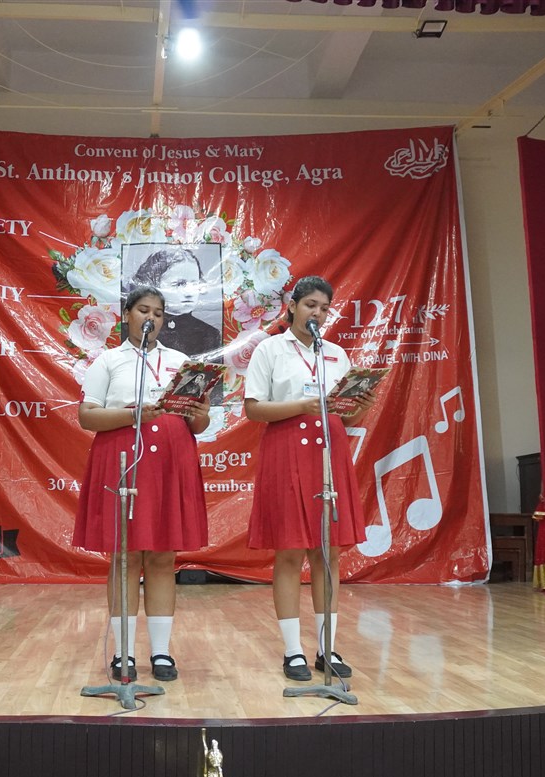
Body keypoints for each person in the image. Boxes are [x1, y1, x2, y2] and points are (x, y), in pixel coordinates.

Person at [72, 286, 211, 681]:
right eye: (143, 310)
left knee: (164, 557)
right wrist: (131, 415)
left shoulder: (180, 362)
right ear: (127, 315)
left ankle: (162, 653)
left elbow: (198, 426)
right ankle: (124, 653)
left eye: (159, 313)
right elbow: (87, 416)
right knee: (126, 557)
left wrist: (200, 411)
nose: (151, 318)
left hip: (170, 463)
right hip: (124, 462)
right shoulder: (108, 360)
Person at [244, 275, 374, 681]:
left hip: (329, 454)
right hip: (285, 452)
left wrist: (362, 404)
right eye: (310, 305)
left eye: (324, 308)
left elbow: (347, 416)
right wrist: (301, 406)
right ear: (292, 306)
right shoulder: (269, 349)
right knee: (289, 551)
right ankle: (293, 651)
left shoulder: (335, 354)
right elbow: (254, 409)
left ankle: (326, 648)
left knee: (327, 551)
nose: (317, 313)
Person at [128, 247, 222, 358]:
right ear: (154, 286)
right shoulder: (137, 330)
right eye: (179, 284)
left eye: (195, 284)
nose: (189, 292)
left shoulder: (209, 334)